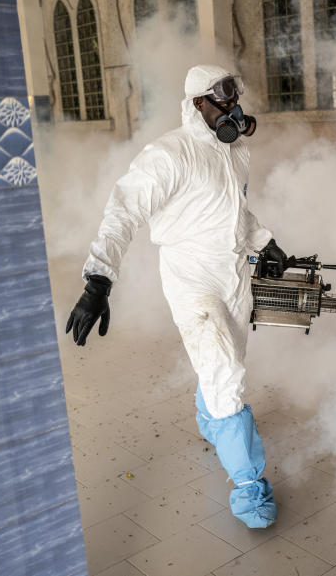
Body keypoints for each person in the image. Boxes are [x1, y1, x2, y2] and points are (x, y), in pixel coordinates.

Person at [65, 64, 286, 529]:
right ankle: (250, 489)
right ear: (197, 104)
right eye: (222, 100)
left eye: (235, 98)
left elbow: (233, 211)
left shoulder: (236, 151)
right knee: (224, 370)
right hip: (191, 276)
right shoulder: (169, 154)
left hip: (233, 274)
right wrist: (98, 280)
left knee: (230, 364)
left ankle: (214, 421)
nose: (233, 108)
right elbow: (123, 211)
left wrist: (264, 242)